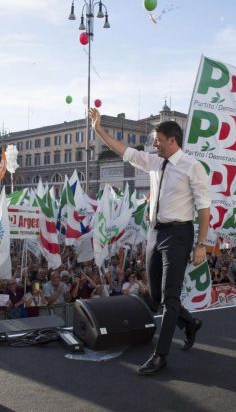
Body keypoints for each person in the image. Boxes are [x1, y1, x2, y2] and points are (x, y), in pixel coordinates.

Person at [89, 107, 211, 375]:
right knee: (156, 296)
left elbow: (204, 208)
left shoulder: (192, 167)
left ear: (172, 140)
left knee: (170, 297)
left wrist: (201, 244)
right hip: (155, 233)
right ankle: (190, 323)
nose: (154, 144)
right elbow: (124, 151)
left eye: (158, 140)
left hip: (179, 234)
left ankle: (160, 355)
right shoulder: (156, 162)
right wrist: (99, 130)